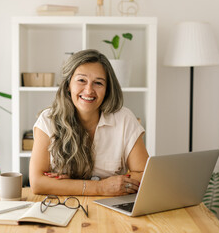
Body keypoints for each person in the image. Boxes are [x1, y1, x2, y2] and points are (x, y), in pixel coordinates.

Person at [29, 49, 149, 196]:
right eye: (81, 80)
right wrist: (101, 187)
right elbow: (37, 183)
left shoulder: (125, 119)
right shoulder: (48, 120)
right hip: (62, 206)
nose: (89, 90)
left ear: (107, 89)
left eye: (98, 83)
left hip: (111, 207)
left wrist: (69, 184)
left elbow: (145, 176)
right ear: (68, 84)